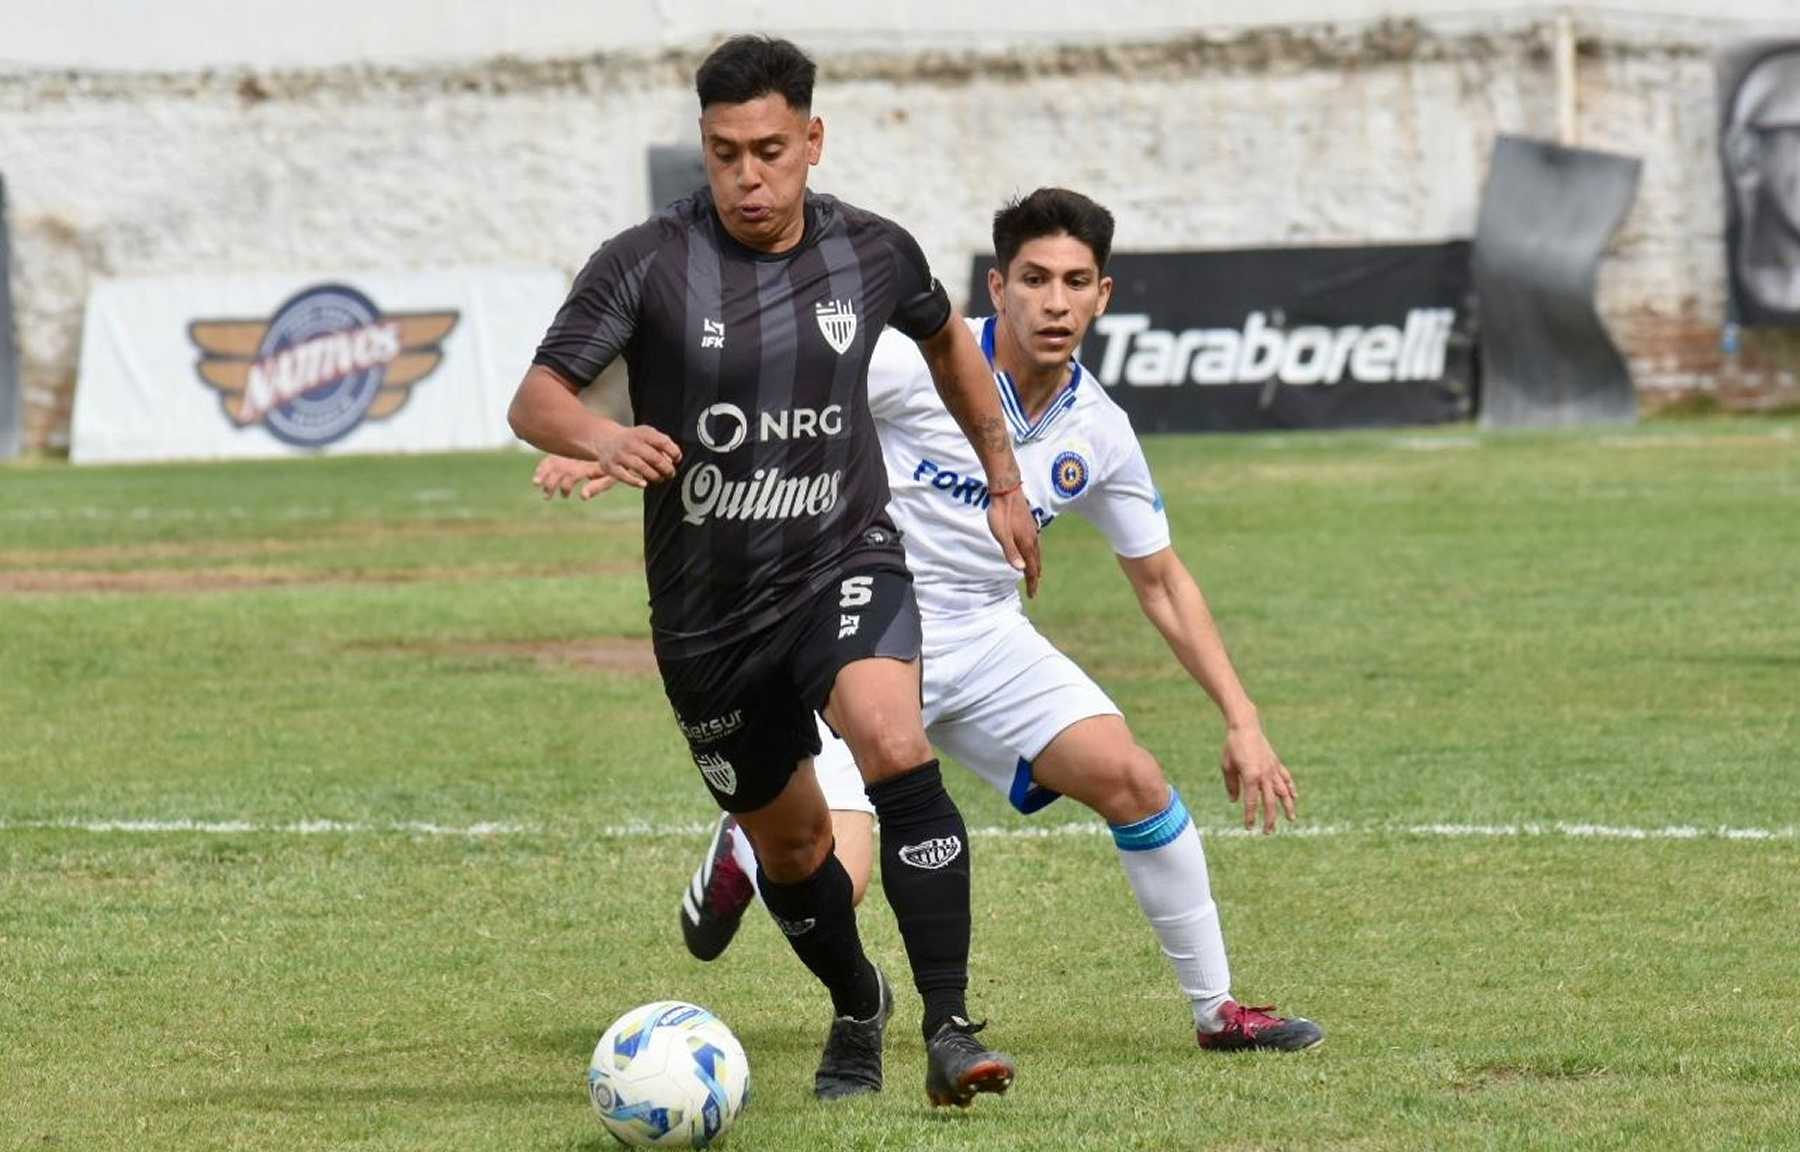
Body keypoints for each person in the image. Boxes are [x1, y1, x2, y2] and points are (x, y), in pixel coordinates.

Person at [537, 188, 1324, 1052]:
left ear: (1103, 295)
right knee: (840, 875)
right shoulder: (908, 364)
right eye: (1033, 279)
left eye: (1075, 281)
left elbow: (1163, 582)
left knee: (1136, 782)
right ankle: (754, 845)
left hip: (985, 636)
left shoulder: (1101, 432)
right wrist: (611, 444)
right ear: (996, 289)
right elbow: (763, 411)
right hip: (850, 628)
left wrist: (1243, 719)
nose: (1053, 302)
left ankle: (1218, 1012)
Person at [508, 35, 1038, 1107]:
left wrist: (1002, 476)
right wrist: (602, 439)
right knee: (792, 849)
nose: (748, 177)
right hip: (705, 618)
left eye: (769, 149)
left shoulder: (873, 253)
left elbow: (950, 346)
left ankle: (950, 1026)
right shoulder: (645, 262)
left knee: (892, 739)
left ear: (812, 138)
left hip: (842, 559)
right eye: (723, 154)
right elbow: (536, 400)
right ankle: (858, 1005)